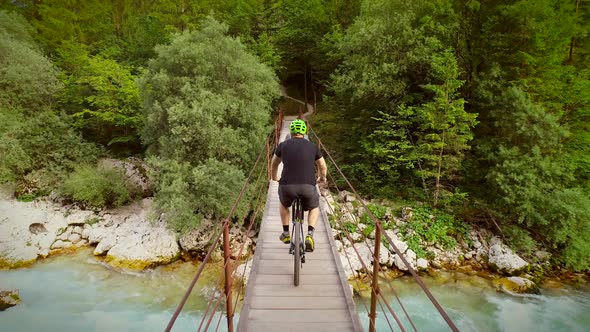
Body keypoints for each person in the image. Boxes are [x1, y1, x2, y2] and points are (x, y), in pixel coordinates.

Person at [270, 119, 327, 252]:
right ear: (304, 132)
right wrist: (322, 177)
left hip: (287, 187)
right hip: (308, 186)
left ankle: (285, 233)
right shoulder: (313, 146)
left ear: (291, 132)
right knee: (314, 207)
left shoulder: (282, 145)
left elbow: (274, 164)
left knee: (284, 204)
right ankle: (310, 235)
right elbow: (322, 166)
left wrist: (274, 177)